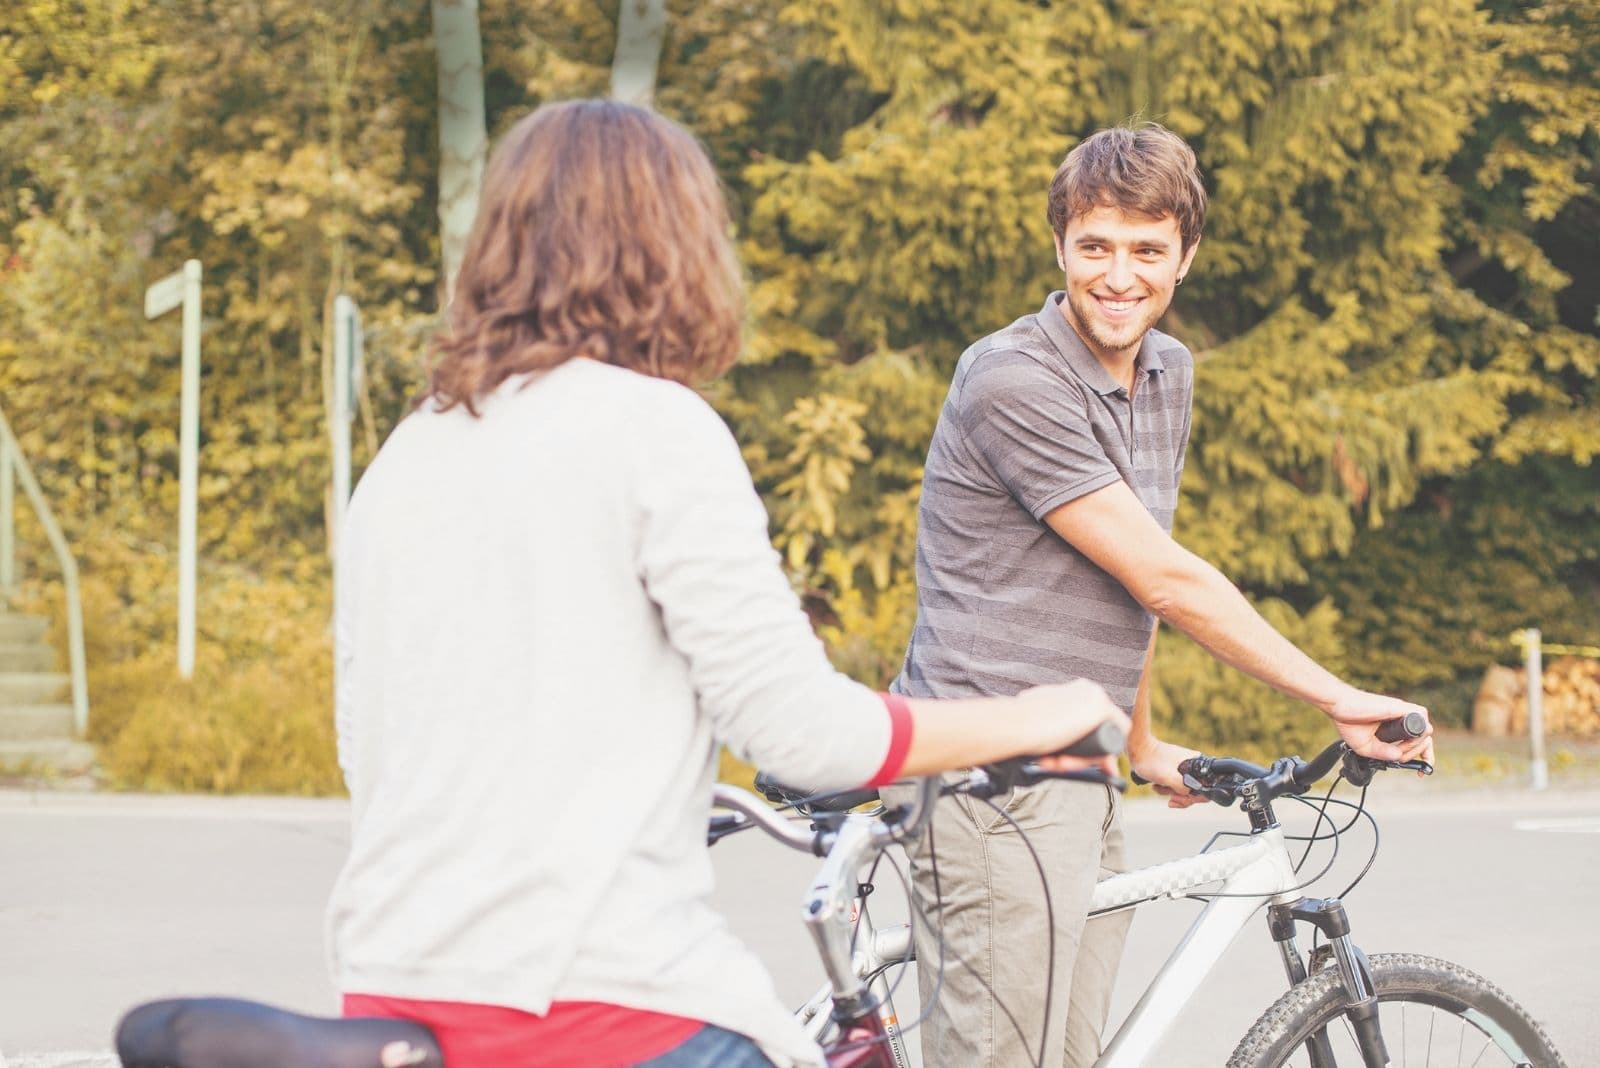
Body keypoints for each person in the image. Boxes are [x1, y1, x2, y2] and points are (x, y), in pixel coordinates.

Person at [311, 100, 1132, 1068]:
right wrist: (1043, 716)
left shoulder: (412, 449)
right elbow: (803, 733)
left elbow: (367, 744)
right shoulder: (655, 429)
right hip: (602, 1009)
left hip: (392, 997)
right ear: (678, 248)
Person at [885, 122, 1435, 1068]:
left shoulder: (1164, 371)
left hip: (1078, 766)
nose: (1118, 274)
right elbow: (1167, 580)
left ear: (1185, 257)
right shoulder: (1013, 377)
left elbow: (1130, 571)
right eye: (1095, 246)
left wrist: (1138, 745)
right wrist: (1338, 699)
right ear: (1060, 246)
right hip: (986, 772)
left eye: (1147, 250)